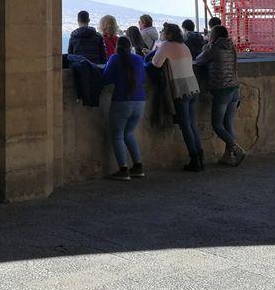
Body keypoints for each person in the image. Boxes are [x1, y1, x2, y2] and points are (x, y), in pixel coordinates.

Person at [149, 22, 202, 171]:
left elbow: (156, 64)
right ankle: (200, 156)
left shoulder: (166, 46)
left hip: (181, 89)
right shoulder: (184, 46)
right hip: (193, 87)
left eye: (164, 31)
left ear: (169, 34)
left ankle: (194, 160)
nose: (162, 33)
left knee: (185, 126)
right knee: (192, 125)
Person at [196, 25, 246, 166]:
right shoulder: (232, 48)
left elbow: (199, 60)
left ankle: (236, 149)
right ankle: (228, 156)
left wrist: (206, 47)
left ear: (214, 36)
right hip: (235, 88)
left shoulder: (213, 49)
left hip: (221, 90)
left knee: (217, 125)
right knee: (228, 124)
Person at [100, 36, 146, 180]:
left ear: (117, 47)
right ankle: (138, 167)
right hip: (140, 102)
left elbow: (105, 78)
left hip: (121, 101)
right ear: (130, 46)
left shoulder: (114, 59)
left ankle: (123, 169)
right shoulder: (139, 59)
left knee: (118, 135)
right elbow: (143, 77)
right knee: (129, 133)